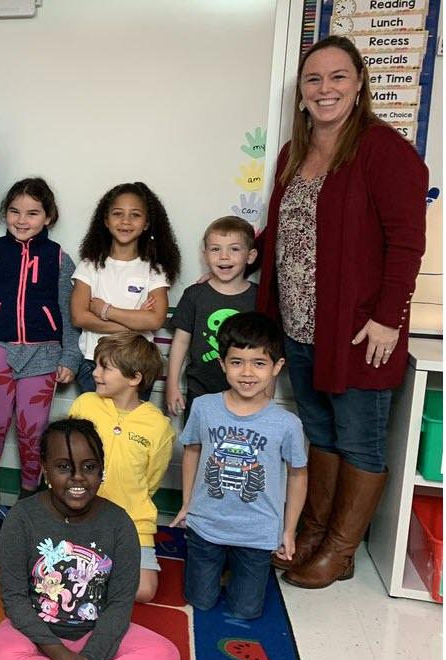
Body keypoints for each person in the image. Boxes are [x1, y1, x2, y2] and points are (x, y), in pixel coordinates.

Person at [255, 35, 428, 589]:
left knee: (358, 439)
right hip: (301, 326)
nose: (324, 89)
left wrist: (388, 316)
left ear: (358, 85)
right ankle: (315, 529)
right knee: (320, 432)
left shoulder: (383, 150)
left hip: (358, 331)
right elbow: (287, 233)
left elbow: (406, 242)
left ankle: (340, 549)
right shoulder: (292, 154)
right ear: (301, 93)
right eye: (313, 79)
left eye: (336, 77)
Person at [0, 418, 180, 660]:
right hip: (37, 633)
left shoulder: (119, 524)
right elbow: (15, 600)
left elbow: (119, 607)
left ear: (102, 469)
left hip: (98, 632)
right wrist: (60, 656)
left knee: (166, 656)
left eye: (89, 467)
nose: (77, 478)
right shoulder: (21, 518)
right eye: (64, 467)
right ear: (45, 469)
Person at [172, 313, 308, 619]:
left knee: (246, 611)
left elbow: (298, 475)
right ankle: (218, 567)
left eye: (259, 363)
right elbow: (192, 451)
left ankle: (234, 570)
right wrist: (186, 504)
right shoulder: (204, 407)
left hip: (257, 532)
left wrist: (288, 531)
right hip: (206, 525)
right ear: (222, 364)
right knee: (200, 602)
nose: (247, 372)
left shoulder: (287, 424)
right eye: (236, 362)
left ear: (277, 367)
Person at [0, 178, 81, 500]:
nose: (21, 220)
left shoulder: (59, 259)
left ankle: (30, 493)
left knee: (34, 430)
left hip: (42, 355)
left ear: (48, 217)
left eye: (32, 213)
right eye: (14, 211)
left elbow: (69, 313)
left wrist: (70, 356)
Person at [68, 333, 173, 603]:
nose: (96, 373)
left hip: (131, 521)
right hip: (80, 513)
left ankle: (95, 574)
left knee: (145, 591)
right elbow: (66, 456)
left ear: (134, 378)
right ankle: (99, 570)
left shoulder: (157, 424)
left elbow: (152, 479)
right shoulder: (84, 404)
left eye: (105, 368)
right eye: (97, 365)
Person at [70, 182, 180, 393]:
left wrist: (105, 311)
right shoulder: (89, 265)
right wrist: (137, 323)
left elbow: (155, 320)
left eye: (135, 215)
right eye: (118, 213)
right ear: (106, 220)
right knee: (93, 425)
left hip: (136, 364)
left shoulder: (154, 270)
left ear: (147, 223)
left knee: (131, 425)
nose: (125, 221)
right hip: (94, 363)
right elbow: (80, 317)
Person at [165, 216, 259, 422]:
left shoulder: (259, 299)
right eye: (216, 249)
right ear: (205, 255)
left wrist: (266, 396)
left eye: (234, 249)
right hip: (201, 390)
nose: (224, 257)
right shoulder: (195, 295)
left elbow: (268, 351)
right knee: (196, 446)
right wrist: (171, 386)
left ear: (250, 256)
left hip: (248, 392)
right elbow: (180, 342)